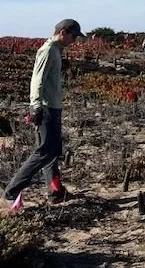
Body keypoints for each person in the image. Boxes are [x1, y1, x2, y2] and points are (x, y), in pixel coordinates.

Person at [4, 19, 85, 207]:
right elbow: (36, 80)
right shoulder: (48, 50)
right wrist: (36, 106)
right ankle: (11, 192)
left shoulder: (56, 50)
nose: (74, 41)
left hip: (53, 107)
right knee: (44, 152)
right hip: (46, 108)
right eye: (73, 36)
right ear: (63, 32)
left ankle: (55, 192)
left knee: (52, 152)